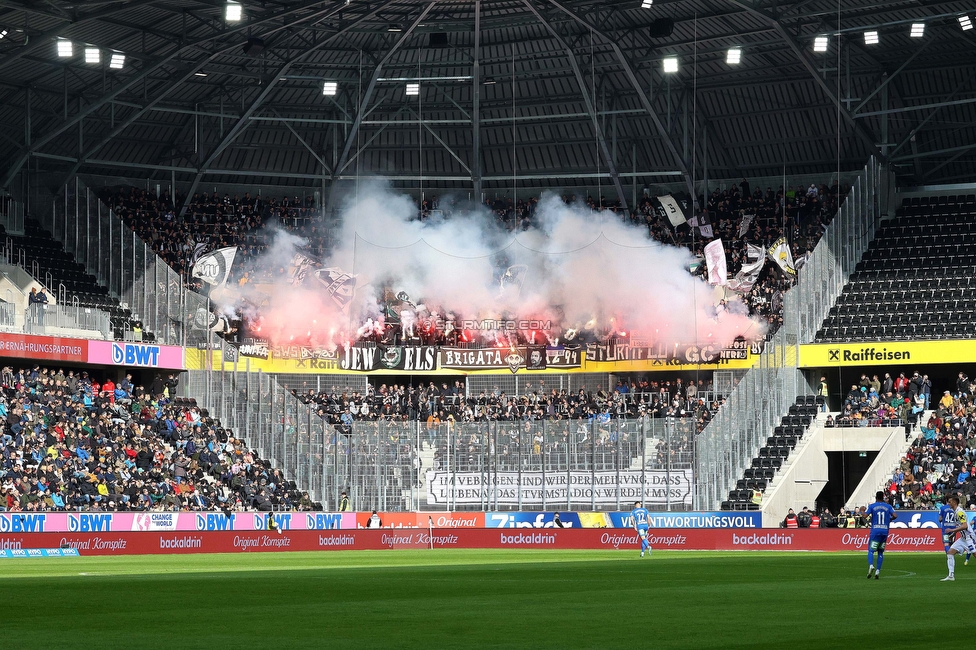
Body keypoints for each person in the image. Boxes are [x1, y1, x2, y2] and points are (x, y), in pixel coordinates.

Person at [939, 494, 975, 581]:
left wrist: (952, 530)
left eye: (950, 502)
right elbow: (960, 526)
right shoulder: (955, 512)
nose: (948, 503)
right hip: (963, 538)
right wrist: (953, 534)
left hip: (969, 537)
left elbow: (965, 525)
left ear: (954, 502)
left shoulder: (959, 512)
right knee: (950, 552)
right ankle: (951, 575)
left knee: (975, 554)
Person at [865, 491, 896, 579]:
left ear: (876, 497)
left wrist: (862, 511)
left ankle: (871, 565)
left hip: (875, 531)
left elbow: (865, 516)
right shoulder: (888, 506)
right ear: (883, 497)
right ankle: (878, 571)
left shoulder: (872, 506)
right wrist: (890, 519)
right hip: (885, 531)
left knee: (871, 550)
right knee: (880, 552)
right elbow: (895, 515)